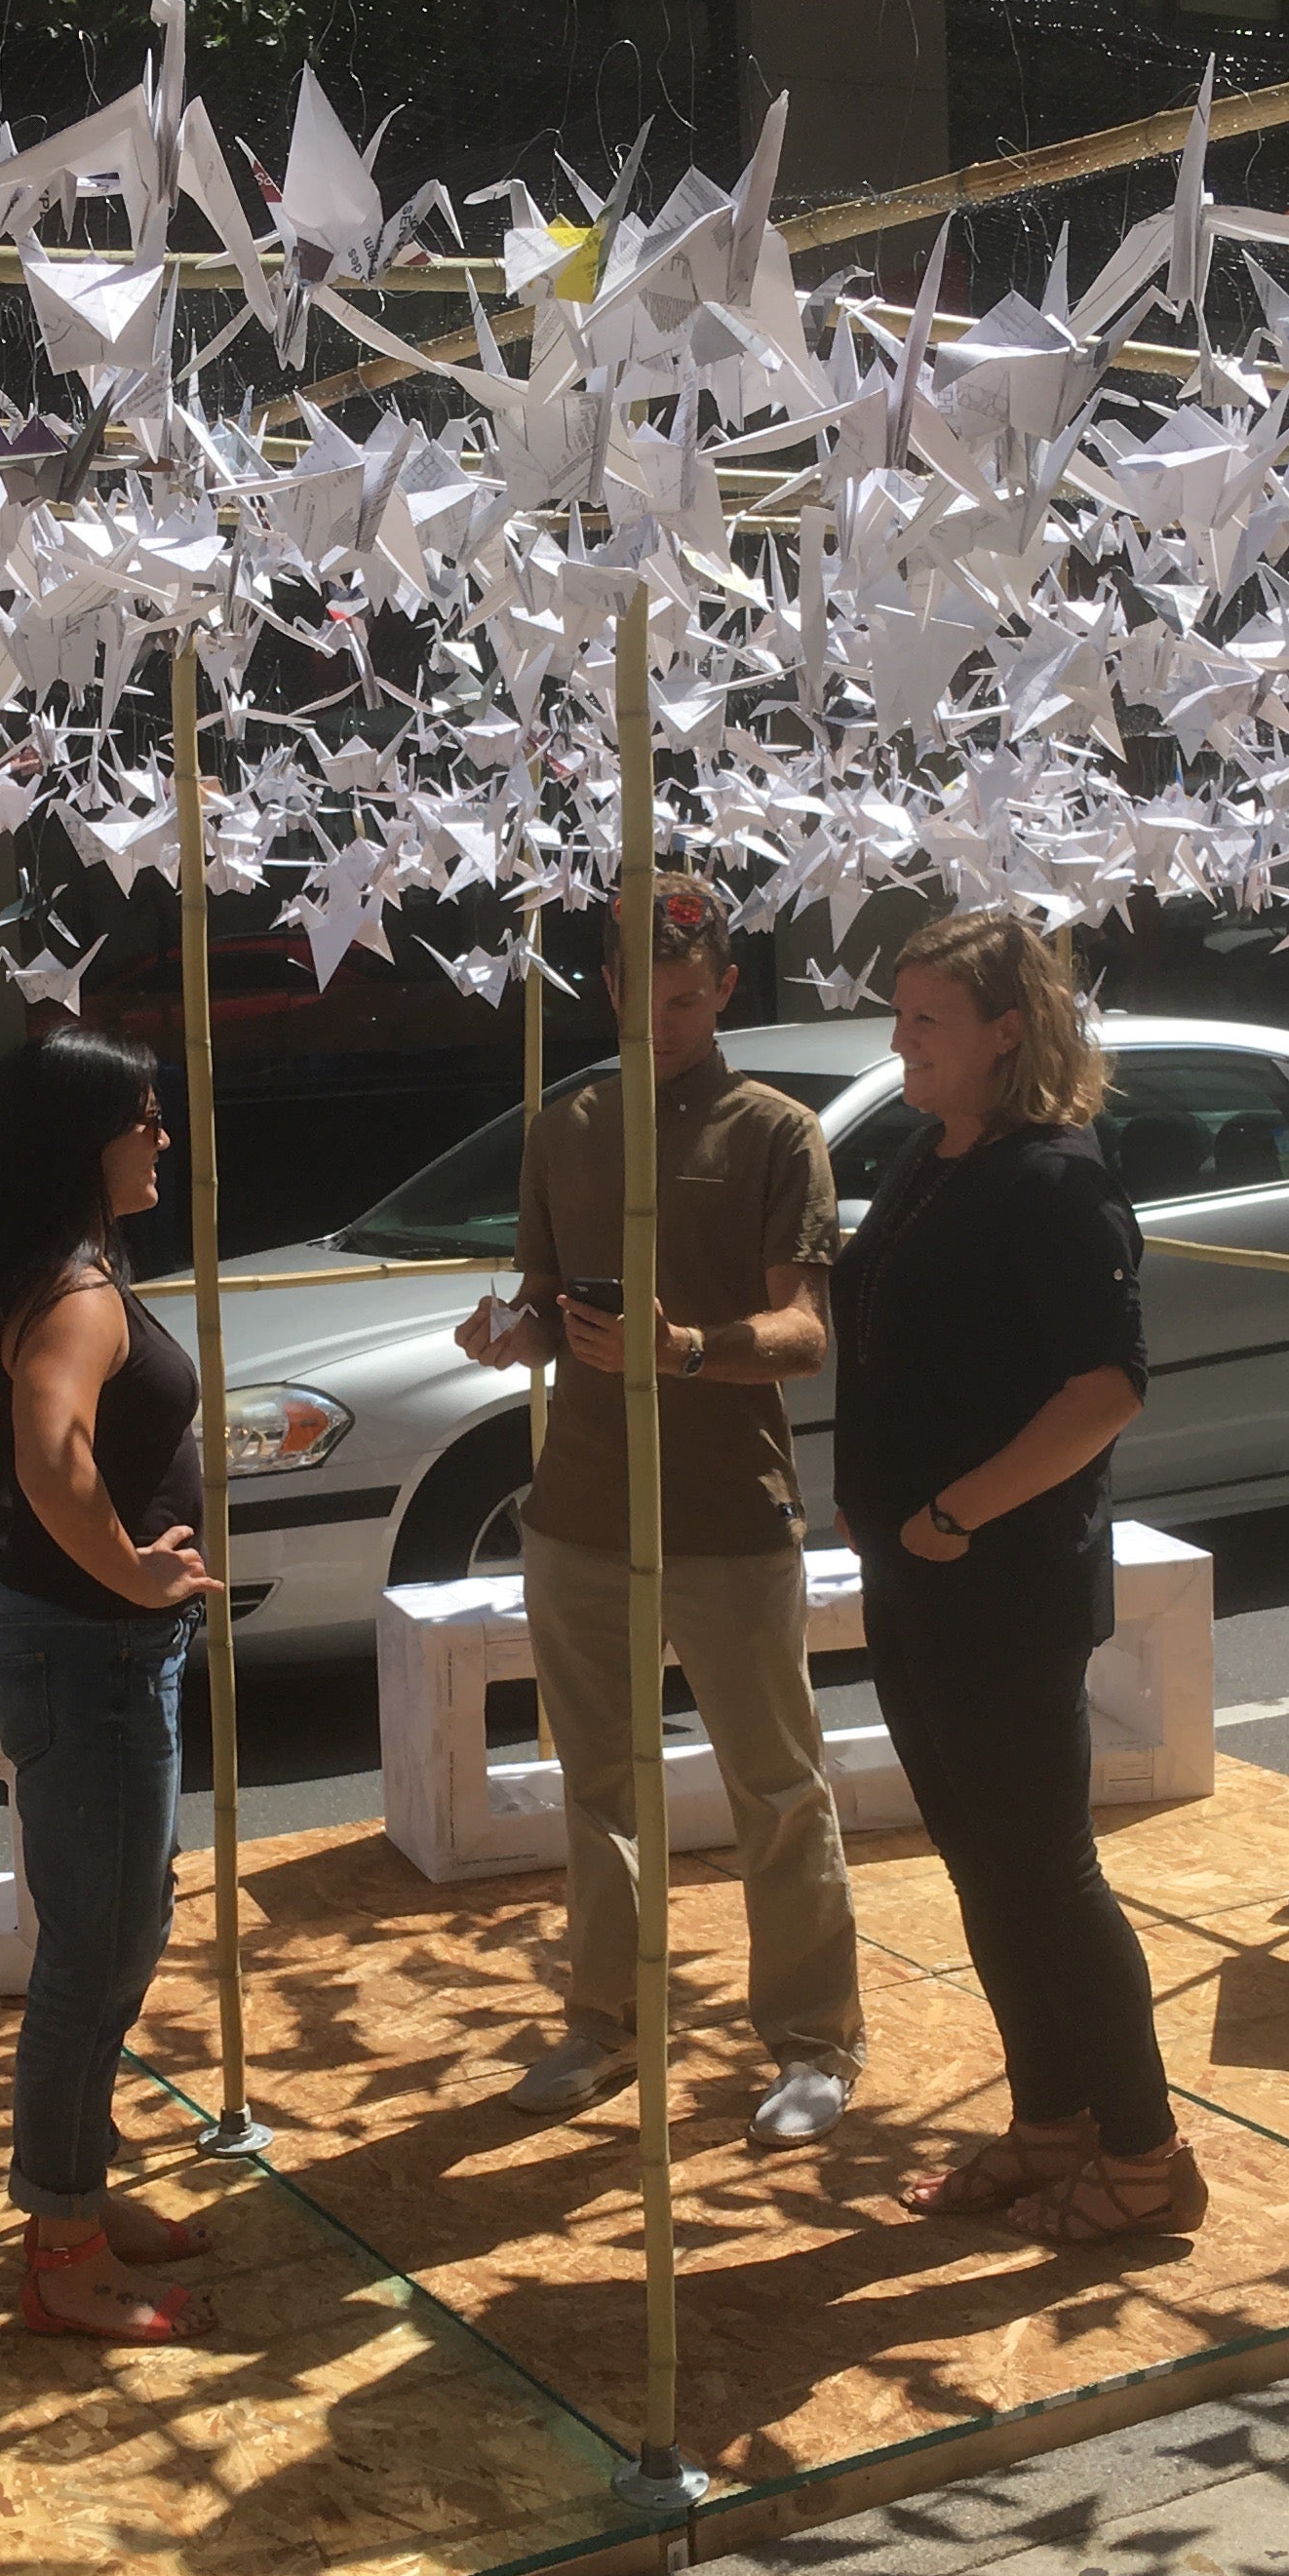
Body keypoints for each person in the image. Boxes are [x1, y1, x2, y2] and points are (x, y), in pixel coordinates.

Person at [453, 872, 865, 2144]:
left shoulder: (775, 1131)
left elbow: (806, 1334)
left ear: (729, 988)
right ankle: (607, 2022)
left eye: (691, 997)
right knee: (598, 1786)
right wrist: (511, 1330)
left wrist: (681, 1349)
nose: (668, 1018)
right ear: (613, 985)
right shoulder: (564, 1124)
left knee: (777, 1787)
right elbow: (536, 1297)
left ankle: (812, 2041)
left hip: (729, 1511)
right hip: (579, 1507)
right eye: (647, 994)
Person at [834, 911, 1206, 2245]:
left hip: (1000, 1582)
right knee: (983, 1868)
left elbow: (1106, 1389)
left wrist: (953, 1511)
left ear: (1007, 1029)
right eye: (902, 1014)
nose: (899, 1040)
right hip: (916, 1573)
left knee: (1045, 1870)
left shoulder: (1057, 1181)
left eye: (926, 1020)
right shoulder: (933, 1157)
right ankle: (1050, 2124)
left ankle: (1150, 2159)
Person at [0, 1026, 222, 2343]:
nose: (161, 1139)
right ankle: (62, 2251)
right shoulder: (76, 1292)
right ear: (88, 1138)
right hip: (87, 1651)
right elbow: (52, 1450)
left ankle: (80, 2181)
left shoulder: (78, 1268)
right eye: (145, 1118)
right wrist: (131, 1577)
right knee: (94, 1952)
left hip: (93, 1649)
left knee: (123, 1932)